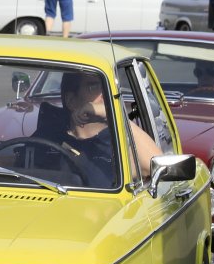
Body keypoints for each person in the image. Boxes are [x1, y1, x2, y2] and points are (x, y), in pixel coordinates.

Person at [33, 71, 161, 186]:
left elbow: (158, 168)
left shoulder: (120, 142)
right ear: (71, 100)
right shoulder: (47, 138)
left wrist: (112, 116)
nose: (106, 94)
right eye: (94, 87)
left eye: (108, 88)